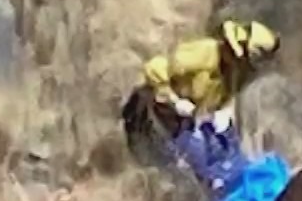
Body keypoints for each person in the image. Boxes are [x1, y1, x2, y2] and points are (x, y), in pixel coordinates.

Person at [120, 19, 280, 173]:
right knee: (147, 163)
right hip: (151, 111)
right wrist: (173, 100)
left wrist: (224, 111)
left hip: (179, 124)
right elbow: (155, 68)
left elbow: (226, 97)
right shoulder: (203, 53)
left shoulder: (236, 74)